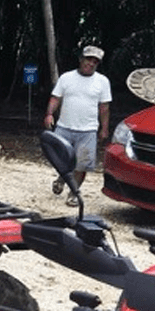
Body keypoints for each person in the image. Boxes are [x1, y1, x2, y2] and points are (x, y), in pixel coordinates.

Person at [44, 45, 111, 207]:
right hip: (64, 127)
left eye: (95, 61)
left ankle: (74, 192)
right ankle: (62, 178)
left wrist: (104, 128)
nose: (91, 63)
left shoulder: (102, 82)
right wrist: (49, 114)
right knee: (61, 160)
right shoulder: (66, 78)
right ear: (81, 59)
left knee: (82, 164)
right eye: (89, 59)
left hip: (88, 130)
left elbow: (104, 107)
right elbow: (55, 98)